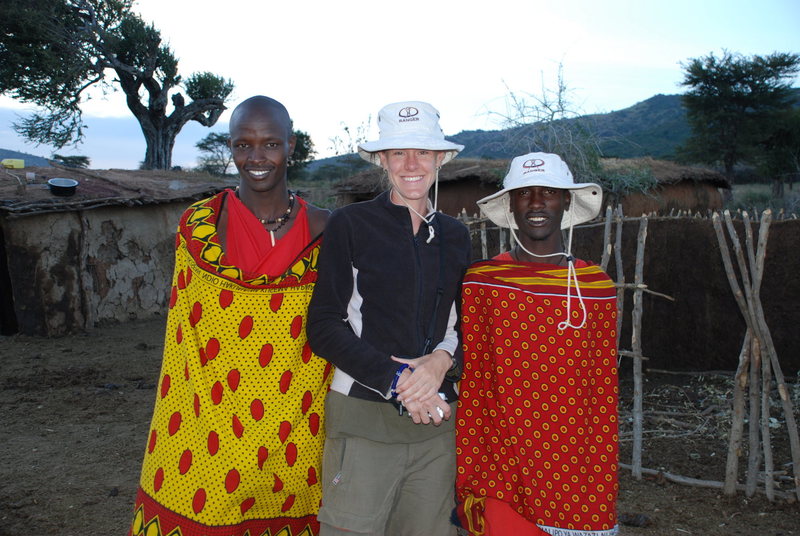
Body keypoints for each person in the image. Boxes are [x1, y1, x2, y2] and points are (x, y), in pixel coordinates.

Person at [129, 96, 332, 536]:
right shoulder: (197, 228)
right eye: (243, 145)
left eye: (270, 144)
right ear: (230, 147)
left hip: (298, 431)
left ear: (291, 146)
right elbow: (185, 337)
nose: (256, 158)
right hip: (206, 429)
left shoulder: (327, 230)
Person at [306, 101, 472, 536]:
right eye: (399, 152)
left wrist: (441, 363)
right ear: (383, 160)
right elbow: (324, 324)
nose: (411, 164)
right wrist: (398, 381)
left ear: (441, 159)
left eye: (422, 152)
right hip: (364, 417)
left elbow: (460, 323)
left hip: (436, 425)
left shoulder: (455, 236)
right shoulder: (351, 225)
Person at [454, 152, 619, 536]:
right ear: (511, 205)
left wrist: (600, 470)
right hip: (500, 464)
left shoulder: (595, 288)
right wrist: (473, 460)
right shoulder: (483, 282)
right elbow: (477, 379)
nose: (537, 202)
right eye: (524, 193)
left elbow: (603, 391)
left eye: (548, 192)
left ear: (566, 202)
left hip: (576, 465)